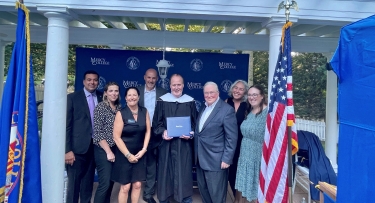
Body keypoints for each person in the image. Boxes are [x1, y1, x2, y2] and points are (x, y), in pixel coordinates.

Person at [153, 74, 197, 203]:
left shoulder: (190, 101)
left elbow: (195, 123)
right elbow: (157, 123)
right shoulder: (162, 101)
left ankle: (185, 199)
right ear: (169, 85)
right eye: (174, 85)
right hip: (166, 145)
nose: (176, 87)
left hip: (184, 146)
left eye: (179, 84)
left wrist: (190, 133)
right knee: (165, 173)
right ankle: (165, 199)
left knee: (183, 172)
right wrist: (163, 132)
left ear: (183, 85)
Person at [194, 81, 238, 203]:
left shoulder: (226, 110)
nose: (209, 95)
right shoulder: (204, 107)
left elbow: (232, 137)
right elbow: (201, 131)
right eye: (206, 93)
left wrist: (227, 159)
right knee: (204, 193)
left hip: (216, 161)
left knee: (217, 196)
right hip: (200, 159)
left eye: (211, 92)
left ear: (217, 93)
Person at [65, 70, 103, 203]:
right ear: (83, 81)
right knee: (73, 186)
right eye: (89, 79)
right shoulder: (72, 98)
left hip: (95, 147)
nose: (92, 82)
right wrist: (67, 150)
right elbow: (67, 126)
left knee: (87, 185)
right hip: (76, 149)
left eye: (95, 80)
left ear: (98, 82)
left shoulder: (102, 96)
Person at [112, 87, 151, 203]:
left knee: (138, 184)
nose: (132, 97)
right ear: (125, 98)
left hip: (140, 154)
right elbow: (116, 137)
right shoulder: (121, 113)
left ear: (138, 97)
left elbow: (148, 131)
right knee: (125, 186)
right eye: (129, 95)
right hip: (124, 154)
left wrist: (144, 149)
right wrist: (128, 155)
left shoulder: (145, 111)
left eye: (134, 95)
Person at [137, 68, 168, 203]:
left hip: (158, 132)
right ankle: (140, 192)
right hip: (140, 133)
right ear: (144, 77)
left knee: (158, 163)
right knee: (142, 163)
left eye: (153, 78)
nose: (151, 80)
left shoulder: (163, 93)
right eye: (149, 77)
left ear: (157, 79)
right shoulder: (136, 91)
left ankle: (155, 193)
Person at [235, 85, 267, 203]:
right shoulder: (250, 111)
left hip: (257, 156)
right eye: (249, 95)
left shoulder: (267, 113)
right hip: (245, 155)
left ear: (262, 96)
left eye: (255, 94)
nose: (252, 97)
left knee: (256, 188)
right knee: (245, 187)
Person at [92, 82, 121, 203]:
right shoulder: (100, 107)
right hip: (103, 149)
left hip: (116, 148)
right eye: (111, 91)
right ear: (105, 93)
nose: (114, 93)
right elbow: (98, 133)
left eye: (116, 91)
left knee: (111, 181)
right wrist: (108, 152)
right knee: (105, 182)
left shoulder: (119, 108)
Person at [225, 79, 249, 202]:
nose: (237, 91)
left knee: (236, 172)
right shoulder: (225, 102)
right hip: (226, 143)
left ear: (245, 92)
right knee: (226, 172)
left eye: (241, 89)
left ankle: (237, 198)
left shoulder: (248, 106)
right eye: (235, 88)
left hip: (241, 144)